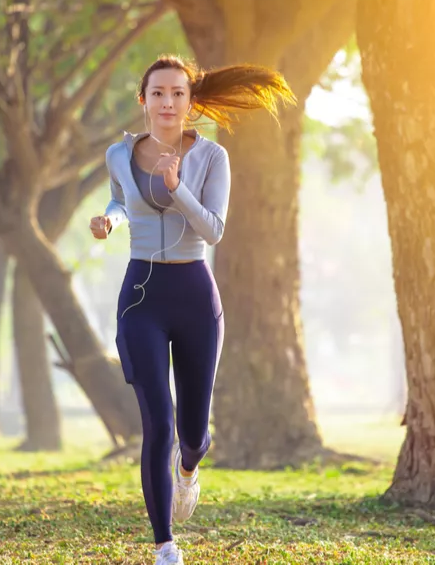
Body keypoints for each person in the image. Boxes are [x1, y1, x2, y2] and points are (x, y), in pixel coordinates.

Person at [89, 55, 296, 565]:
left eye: (178, 94)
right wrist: (110, 221)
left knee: (193, 432)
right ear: (143, 100)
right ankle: (165, 546)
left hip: (195, 296)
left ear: (191, 102)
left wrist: (178, 188)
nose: (168, 102)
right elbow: (121, 199)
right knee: (157, 420)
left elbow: (214, 229)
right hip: (141, 295)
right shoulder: (118, 154)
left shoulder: (212, 158)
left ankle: (188, 469)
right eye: (158, 93)